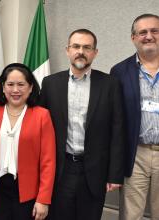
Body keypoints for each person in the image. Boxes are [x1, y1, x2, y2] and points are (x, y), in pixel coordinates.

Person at [40, 28, 125, 220]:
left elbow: (117, 131)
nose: (81, 51)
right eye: (76, 46)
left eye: (87, 47)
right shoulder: (50, 83)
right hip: (61, 169)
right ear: (67, 50)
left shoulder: (110, 84)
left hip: (95, 171)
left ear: (95, 53)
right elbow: (39, 127)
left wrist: (114, 174)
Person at [0, 63, 56, 220]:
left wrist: (43, 199)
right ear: (3, 87)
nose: (15, 90)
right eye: (10, 84)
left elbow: (48, 161)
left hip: (28, 191)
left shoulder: (42, 115)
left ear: (31, 87)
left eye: (21, 84)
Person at [110, 14, 159, 220]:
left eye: (154, 31)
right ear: (133, 38)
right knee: (131, 215)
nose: (149, 36)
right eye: (142, 32)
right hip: (134, 154)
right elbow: (114, 119)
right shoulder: (120, 71)